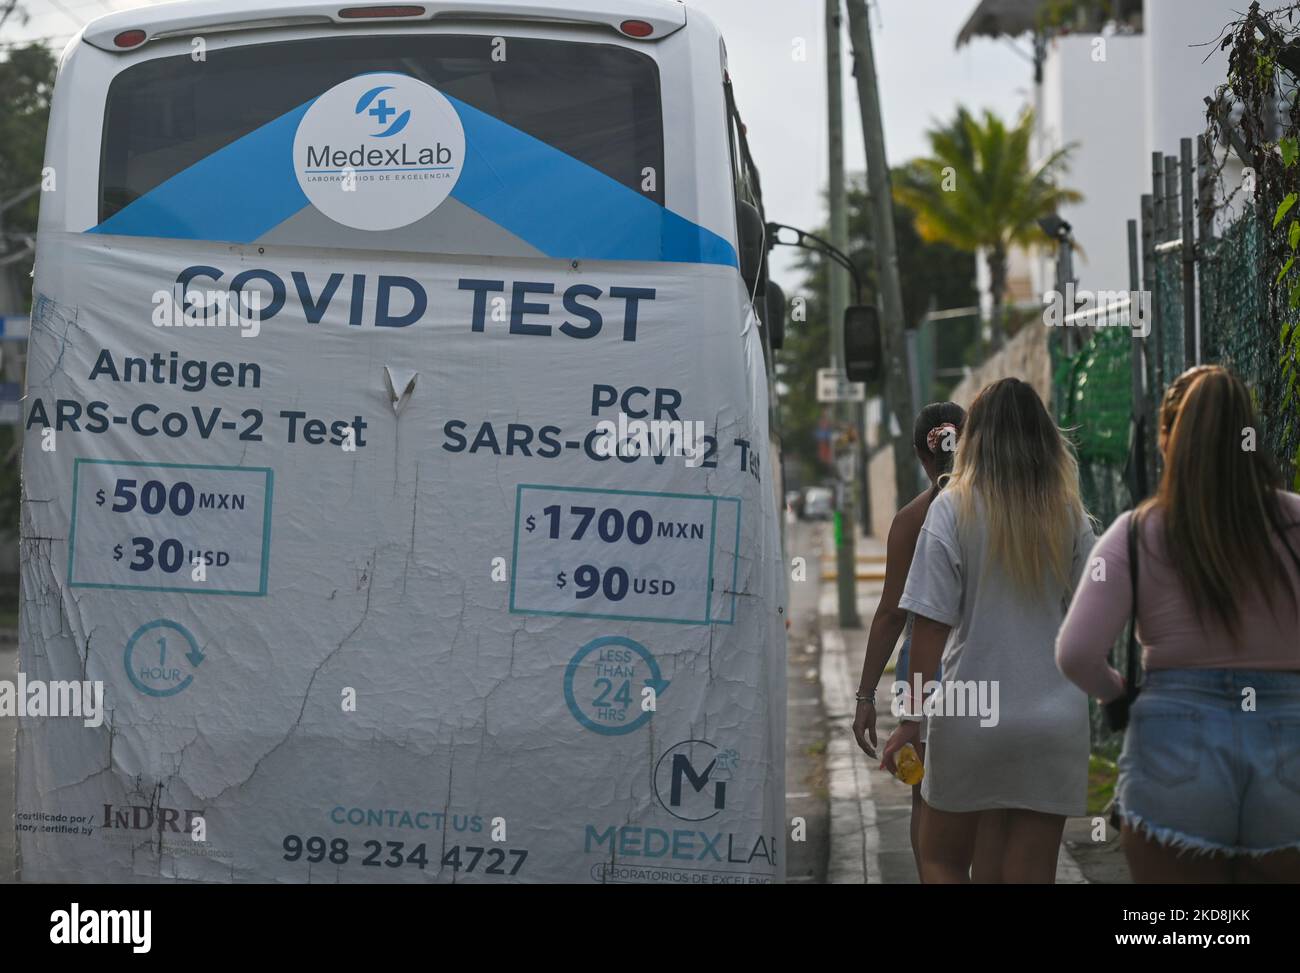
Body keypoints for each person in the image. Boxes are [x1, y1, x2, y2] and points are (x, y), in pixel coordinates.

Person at [1056, 365, 1300, 883]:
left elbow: (1076, 653)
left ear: (1168, 440)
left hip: (1173, 744)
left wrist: (1117, 693)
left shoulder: (1135, 533)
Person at [881, 377, 1095, 883]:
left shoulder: (951, 509)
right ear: (1045, 438)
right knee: (1030, 873)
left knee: (942, 859)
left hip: (970, 714)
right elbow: (1093, 619)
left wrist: (911, 719)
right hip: (1054, 721)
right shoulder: (1070, 514)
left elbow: (929, 630)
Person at [852, 401, 964, 874]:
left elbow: (889, 616)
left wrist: (864, 696)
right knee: (988, 804)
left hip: (919, 678)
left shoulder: (911, 518)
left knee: (926, 801)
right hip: (981, 672)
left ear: (920, 454)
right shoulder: (1004, 509)